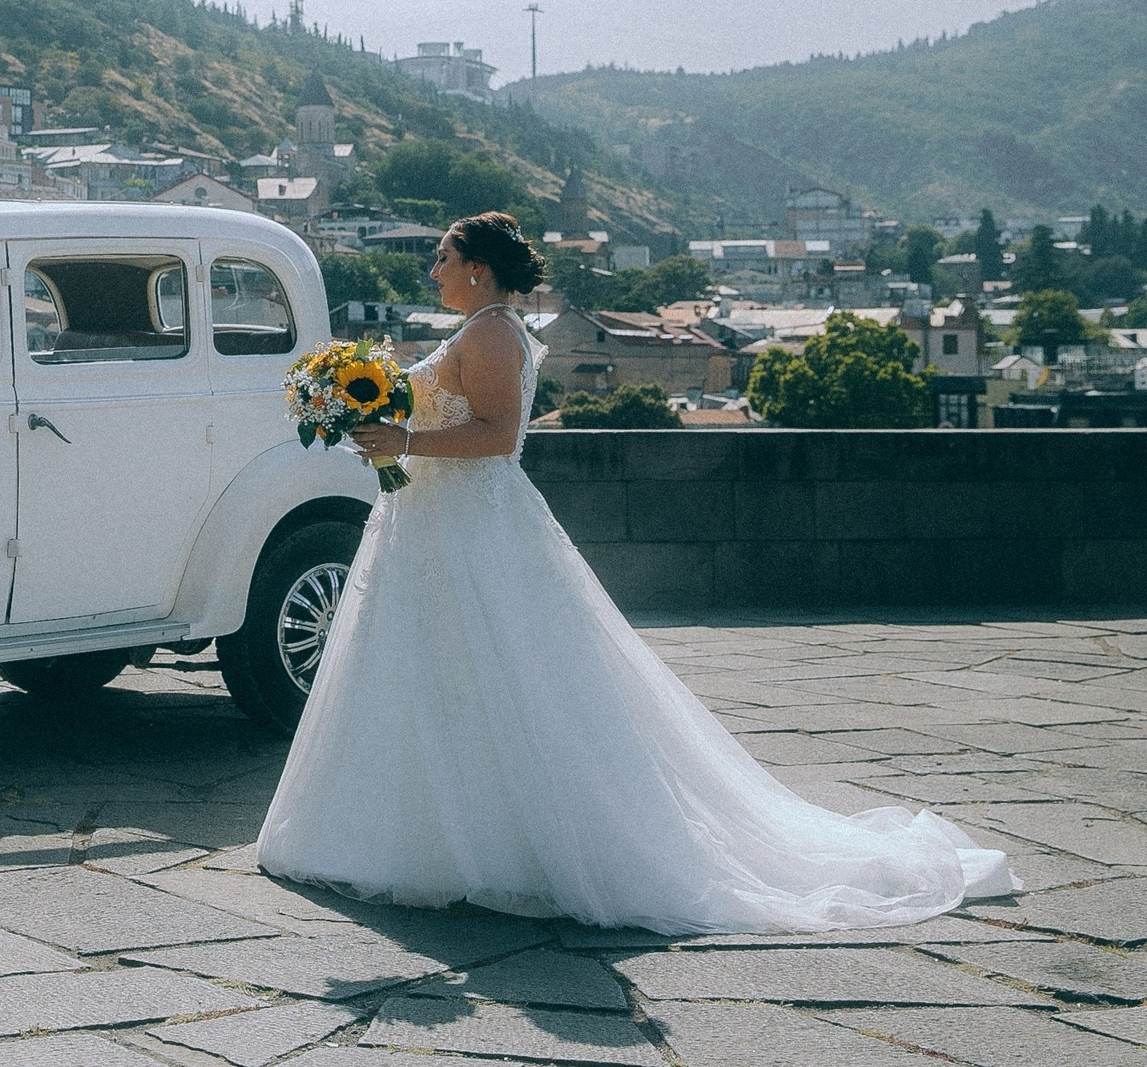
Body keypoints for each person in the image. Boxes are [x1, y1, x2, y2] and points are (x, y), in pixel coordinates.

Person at [255, 211, 1016, 933]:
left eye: (443, 259)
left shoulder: (490, 334)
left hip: (468, 526)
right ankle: (427, 830)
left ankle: (485, 842)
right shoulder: (479, 328)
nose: (432, 270)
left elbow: (496, 437)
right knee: (436, 673)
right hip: (435, 521)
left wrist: (404, 441)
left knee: (490, 674)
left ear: (478, 271)